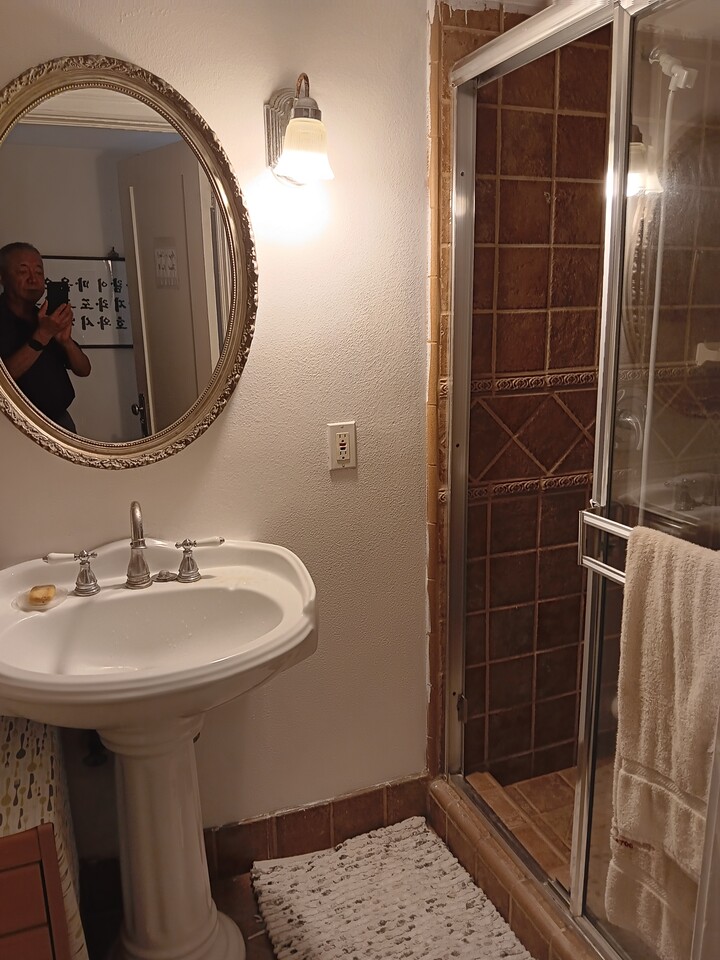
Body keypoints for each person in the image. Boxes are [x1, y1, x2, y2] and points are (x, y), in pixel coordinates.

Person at [0, 242, 90, 432]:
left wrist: (66, 342)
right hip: (14, 425)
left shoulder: (45, 317)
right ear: (2, 277)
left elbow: (84, 369)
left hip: (60, 420)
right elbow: (3, 379)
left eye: (39, 272)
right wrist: (43, 334)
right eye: (23, 271)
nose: (33, 279)